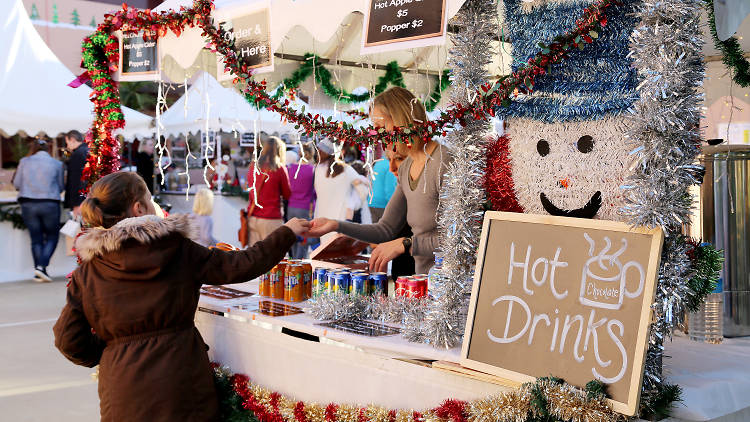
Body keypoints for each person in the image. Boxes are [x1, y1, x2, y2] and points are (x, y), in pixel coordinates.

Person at [53, 171, 309, 422]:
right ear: (139, 208)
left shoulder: (88, 271)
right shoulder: (176, 249)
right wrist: (286, 232)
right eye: (150, 197)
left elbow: (68, 339)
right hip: (182, 384)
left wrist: (115, 349)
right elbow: (241, 265)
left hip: (123, 392)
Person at [308, 87, 451, 274]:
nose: (377, 135)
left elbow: (460, 238)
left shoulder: (444, 162)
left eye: (380, 127)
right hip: (423, 283)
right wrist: (335, 224)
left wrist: (406, 243)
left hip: (451, 286)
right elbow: (385, 229)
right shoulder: (408, 166)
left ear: (401, 120)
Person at [12, 138, 64, 282]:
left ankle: (39, 271)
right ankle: (41, 267)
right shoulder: (57, 164)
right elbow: (60, 187)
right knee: (52, 237)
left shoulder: (24, 161)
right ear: (47, 149)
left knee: (36, 239)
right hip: (50, 203)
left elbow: (16, 183)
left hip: (28, 203)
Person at [313, 138, 366, 244]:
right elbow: (363, 189)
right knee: (338, 252)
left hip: (322, 217)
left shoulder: (318, 169)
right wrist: (353, 205)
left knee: (326, 252)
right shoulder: (346, 170)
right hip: (340, 219)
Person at [246, 136, 291, 246]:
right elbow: (287, 194)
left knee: (254, 258)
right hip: (271, 218)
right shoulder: (279, 169)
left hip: (253, 217)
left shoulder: (253, 166)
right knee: (274, 257)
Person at [286, 142, 317, 258]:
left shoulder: (290, 168)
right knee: (303, 240)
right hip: (305, 208)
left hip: (291, 206)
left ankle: (293, 262)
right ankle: (298, 265)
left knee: (292, 237)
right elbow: (315, 191)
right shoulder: (312, 170)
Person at [63, 130, 89, 216]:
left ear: (73, 139)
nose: (67, 146)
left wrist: (76, 203)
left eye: (67, 142)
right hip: (88, 197)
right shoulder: (87, 151)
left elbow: (76, 181)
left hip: (81, 200)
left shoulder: (78, 154)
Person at [368, 151, 398, 223]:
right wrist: (394, 206)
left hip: (372, 201)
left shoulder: (379, 162)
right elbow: (390, 188)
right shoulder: (389, 165)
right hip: (383, 204)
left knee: (375, 230)